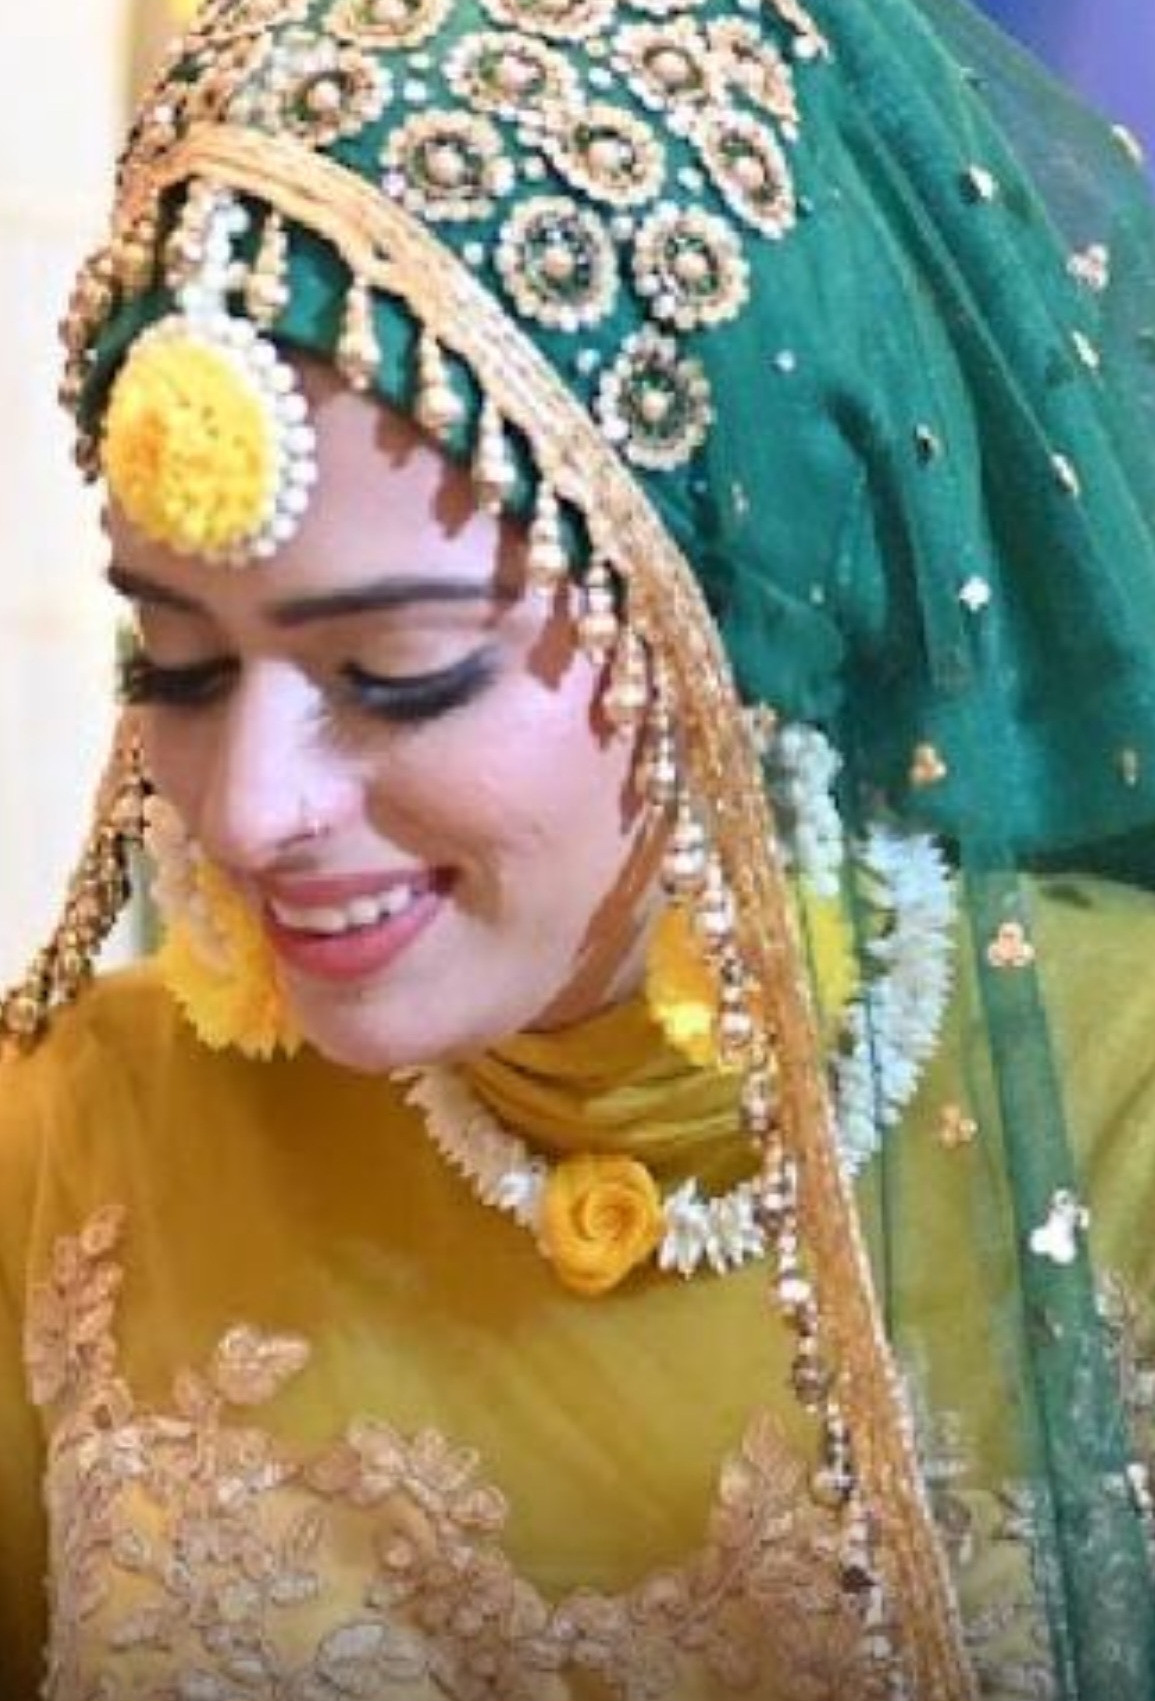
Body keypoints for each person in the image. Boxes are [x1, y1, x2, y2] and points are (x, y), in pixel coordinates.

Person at [1, 0, 1154, 1694]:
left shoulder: (1121, 1120)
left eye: (396, 676)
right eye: (177, 666)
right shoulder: (74, 1143)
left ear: (732, 617)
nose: (245, 808)